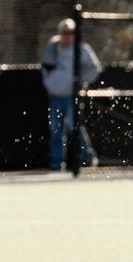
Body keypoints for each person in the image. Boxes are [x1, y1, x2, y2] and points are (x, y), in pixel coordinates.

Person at [40, 18, 100, 171]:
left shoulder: (81, 49)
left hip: (72, 96)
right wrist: (49, 84)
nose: (68, 36)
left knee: (75, 127)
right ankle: (56, 163)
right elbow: (45, 68)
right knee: (56, 130)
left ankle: (88, 158)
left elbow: (94, 68)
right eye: (65, 32)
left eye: (71, 32)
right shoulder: (52, 47)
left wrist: (82, 82)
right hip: (55, 96)